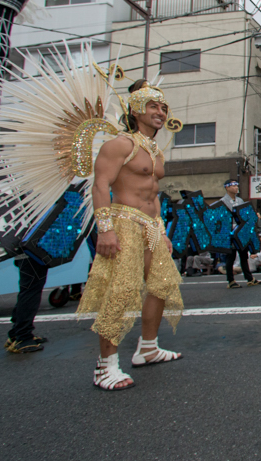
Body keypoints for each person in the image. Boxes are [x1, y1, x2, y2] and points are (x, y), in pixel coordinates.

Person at [77, 80, 183, 391]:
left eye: (163, 107)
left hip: (151, 226)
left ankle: (147, 348)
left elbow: (155, 195)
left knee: (162, 284)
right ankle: (105, 366)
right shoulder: (120, 145)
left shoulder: (156, 151)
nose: (160, 112)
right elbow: (100, 186)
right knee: (121, 290)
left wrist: (161, 230)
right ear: (135, 110)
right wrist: (105, 229)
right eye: (153, 106)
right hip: (123, 222)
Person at [3, 254, 50, 353]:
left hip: (27, 252)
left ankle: (16, 334)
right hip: (32, 252)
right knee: (31, 292)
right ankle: (23, 337)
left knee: (29, 290)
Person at [221, 179, 261, 289]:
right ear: (227, 187)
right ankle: (230, 280)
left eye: (237, 185)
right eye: (233, 186)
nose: (236, 187)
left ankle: (249, 278)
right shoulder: (223, 202)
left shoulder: (240, 200)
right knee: (231, 256)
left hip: (241, 231)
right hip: (230, 232)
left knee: (244, 255)